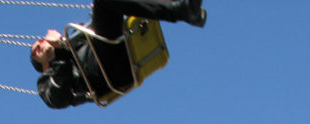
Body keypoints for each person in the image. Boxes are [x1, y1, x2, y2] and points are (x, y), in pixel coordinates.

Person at [32, 0, 207, 109]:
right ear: (43, 67)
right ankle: (180, 10)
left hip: (114, 53)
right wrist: (61, 51)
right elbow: (57, 98)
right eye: (35, 52)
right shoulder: (45, 82)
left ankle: (183, 8)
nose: (38, 46)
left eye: (39, 42)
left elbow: (98, 31)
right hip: (102, 75)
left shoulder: (73, 43)